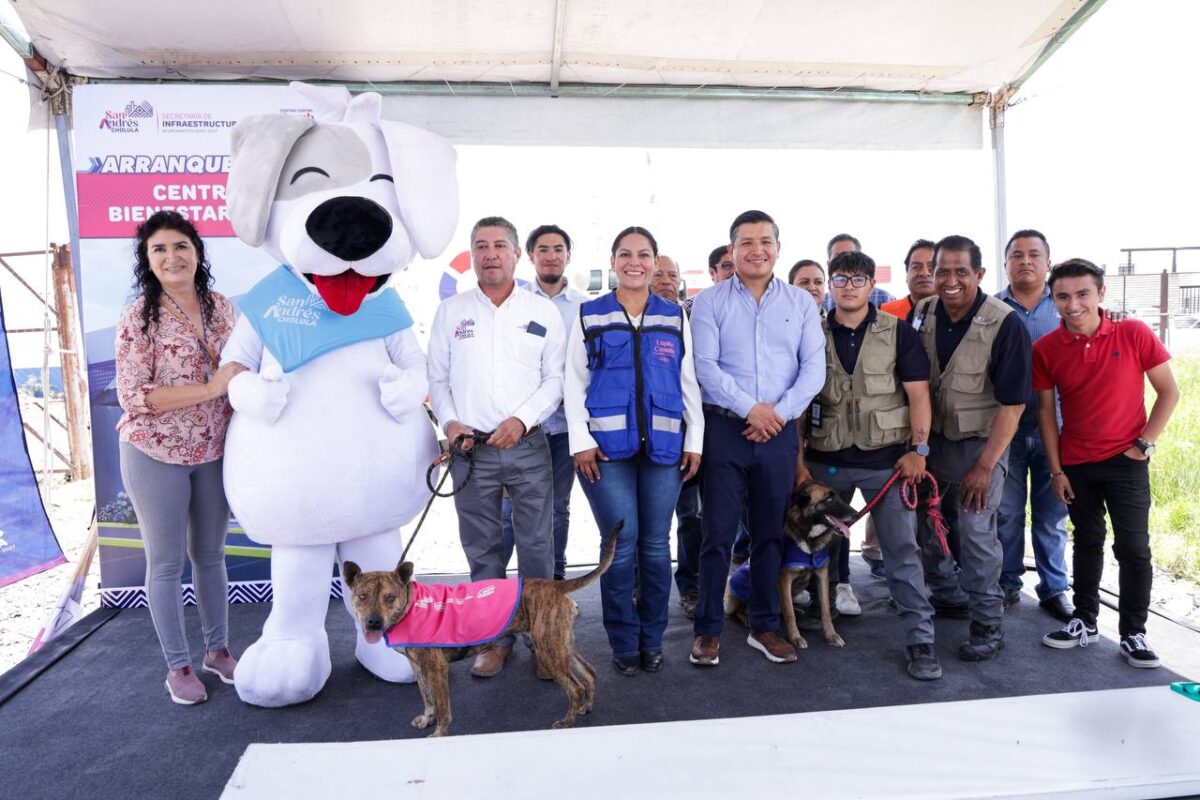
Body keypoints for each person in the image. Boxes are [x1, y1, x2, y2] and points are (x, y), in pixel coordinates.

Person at [427, 216, 566, 678]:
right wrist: (451, 423)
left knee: (537, 548)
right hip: (471, 451)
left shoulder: (542, 311)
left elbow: (555, 380)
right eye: (481, 246)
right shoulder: (452, 311)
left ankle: (542, 641)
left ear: (516, 255)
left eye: (500, 246)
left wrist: (522, 419)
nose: (491, 254)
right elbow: (437, 379)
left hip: (528, 445)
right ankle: (494, 640)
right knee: (483, 550)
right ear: (472, 255)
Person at [114, 210, 244, 705]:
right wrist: (210, 388)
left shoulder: (220, 306)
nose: (172, 257)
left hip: (213, 449)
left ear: (197, 251)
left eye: (181, 246)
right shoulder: (138, 316)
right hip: (154, 451)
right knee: (166, 563)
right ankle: (178, 666)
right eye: (159, 249)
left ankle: (218, 651)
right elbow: (134, 396)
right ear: (147, 260)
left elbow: (243, 364)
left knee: (210, 555)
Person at [689, 210, 825, 666]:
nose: (756, 249)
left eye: (765, 241)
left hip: (779, 432)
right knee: (717, 534)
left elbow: (814, 370)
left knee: (770, 533)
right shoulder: (709, 302)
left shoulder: (800, 303)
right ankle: (707, 629)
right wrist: (752, 409)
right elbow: (705, 367)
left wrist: (776, 414)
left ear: (778, 248)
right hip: (726, 429)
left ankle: (764, 625)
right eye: (746, 242)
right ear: (732, 250)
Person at [798, 251, 941, 679]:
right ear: (830, 284)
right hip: (826, 463)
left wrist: (919, 450)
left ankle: (920, 640)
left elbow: (918, 395)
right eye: (840, 279)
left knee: (902, 552)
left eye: (857, 279)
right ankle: (814, 612)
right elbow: (800, 402)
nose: (848, 287)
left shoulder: (897, 332)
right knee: (815, 545)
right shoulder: (810, 332)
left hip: (887, 463)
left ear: (870, 284)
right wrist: (798, 462)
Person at [566, 228, 703, 674]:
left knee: (656, 547)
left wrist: (695, 440)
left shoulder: (674, 316)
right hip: (606, 452)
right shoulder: (590, 314)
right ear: (612, 262)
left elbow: (688, 381)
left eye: (643, 255)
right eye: (625, 254)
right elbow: (573, 382)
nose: (634, 262)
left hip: (665, 448)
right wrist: (581, 441)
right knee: (620, 547)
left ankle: (652, 639)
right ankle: (624, 642)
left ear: (655, 262)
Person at [1036, 259, 1179, 668]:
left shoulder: (1132, 332)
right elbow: (1046, 412)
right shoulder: (1045, 349)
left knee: (1133, 548)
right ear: (1053, 300)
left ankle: (1133, 632)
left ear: (1101, 293)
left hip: (1126, 461)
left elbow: (1169, 391)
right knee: (1086, 541)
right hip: (1076, 463)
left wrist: (1144, 445)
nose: (1073, 304)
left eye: (1083, 294)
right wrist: (1056, 470)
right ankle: (1084, 620)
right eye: (1063, 296)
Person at [913, 235, 1031, 662]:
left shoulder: (1005, 323)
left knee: (976, 535)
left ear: (979, 274)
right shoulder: (923, 313)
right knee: (926, 525)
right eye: (942, 271)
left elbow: (1013, 405)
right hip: (932, 444)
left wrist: (985, 466)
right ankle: (948, 595)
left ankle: (987, 623)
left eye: (961, 271)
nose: (950, 280)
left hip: (981, 446)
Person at [500, 224, 587, 580]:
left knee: (557, 508)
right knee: (508, 509)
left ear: (569, 255)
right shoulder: (513, 303)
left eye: (558, 249)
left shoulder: (584, 307)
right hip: (522, 427)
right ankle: (494, 590)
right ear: (529, 256)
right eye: (543, 249)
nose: (551, 256)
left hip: (565, 427)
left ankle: (554, 582)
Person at [995, 230, 1073, 622]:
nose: (1025, 261)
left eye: (1034, 254)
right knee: (1006, 514)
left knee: (1052, 516)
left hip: (1055, 431)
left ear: (1047, 262)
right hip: (1004, 431)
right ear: (1006, 262)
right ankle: (1007, 582)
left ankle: (1054, 588)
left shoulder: (1064, 306)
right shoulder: (992, 309)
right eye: (1017, 254)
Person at [651, 255, 703, 618]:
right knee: (647, 523)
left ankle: (691, 586)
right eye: (659, 275)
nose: (667, 281)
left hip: (686, 434)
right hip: (644, 438)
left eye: (673, 275)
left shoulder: (693, 319)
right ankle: (642, 589)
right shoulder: (630, 317)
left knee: (691, 516)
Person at [824, 234, 894, 310]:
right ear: (828, 264)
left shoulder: (886, 299)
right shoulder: (822, 303)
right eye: (838, 257)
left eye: (850, 255)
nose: (844, 261)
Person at [881, 239, 936, 321]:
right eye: (916, 267)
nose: (924, 273)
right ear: (906, 275)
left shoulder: (954, 312)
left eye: (931, 267)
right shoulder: (884, 312)